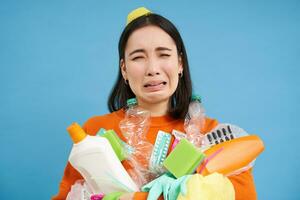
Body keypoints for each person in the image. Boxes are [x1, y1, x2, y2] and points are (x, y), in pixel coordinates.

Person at [52, 7, 257, 200]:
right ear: (124, 69)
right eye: (138, 57)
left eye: (164, 54)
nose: (152, 69)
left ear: (180, 63)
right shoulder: (97, 133)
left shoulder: (212, 136)